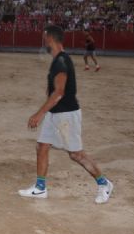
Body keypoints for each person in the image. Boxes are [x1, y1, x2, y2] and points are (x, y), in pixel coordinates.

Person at [19, 25, 113, 204]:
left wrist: (39, 114)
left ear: (51, 39)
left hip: (66, 114)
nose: (43, 41)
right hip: (56, 114)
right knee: (42, 147)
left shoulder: (61, 61)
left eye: (44, 38)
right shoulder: (58, 60)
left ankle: (104, 183)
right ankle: (40, 188)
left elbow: (59, 92)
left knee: (76, 154)